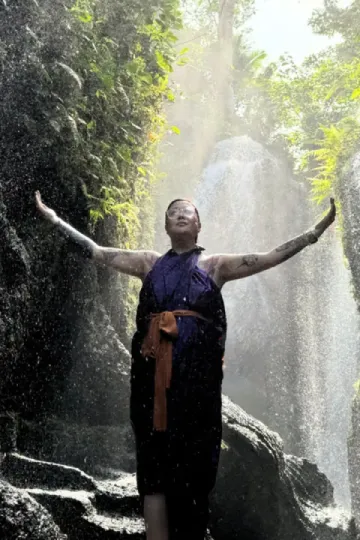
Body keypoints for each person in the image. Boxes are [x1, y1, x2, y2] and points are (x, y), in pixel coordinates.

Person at [35, 191, 336, 539]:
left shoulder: (216, 265)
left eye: (186, 212)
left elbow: (269, 257)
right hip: (151, 379)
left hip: (198, 384)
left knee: (196, 461)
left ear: (198, 225)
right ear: (166, 225)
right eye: (173, 212)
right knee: (152, 464)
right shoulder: (149, 263)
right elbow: (98, 253)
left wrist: (315, 231)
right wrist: (55, 220)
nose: (179, 215)